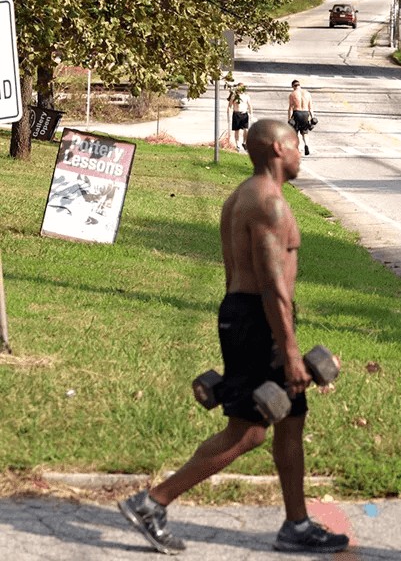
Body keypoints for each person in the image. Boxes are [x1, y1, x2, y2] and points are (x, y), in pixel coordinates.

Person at [118, 119, 349, 556]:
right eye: (297, 146)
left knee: (291, 419)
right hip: (258, 318)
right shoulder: (268, 204)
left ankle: (296, 525)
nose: (301, 153)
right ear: (279, 149)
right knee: (249, 431)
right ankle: (152, 503)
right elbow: (270, 284)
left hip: (253, 315)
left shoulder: (243, 194)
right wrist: (290, 349)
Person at [288, 79, 315, 156]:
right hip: (306, 114)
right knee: (305, 132)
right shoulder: (308, 93)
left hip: (297, 113)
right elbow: (311, 108)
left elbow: (290, 108)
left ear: (293, 86)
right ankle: (306, 145)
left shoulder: (292, 94)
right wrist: (313, 117)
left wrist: (289, 119)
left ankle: (297, 149)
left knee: (295, 133)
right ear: (299, 85)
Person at [227, 82, 254, 152]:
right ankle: (237, 144)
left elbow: (250, 105)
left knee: (246, 129)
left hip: (244, 114)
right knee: (237, 130)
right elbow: (230, 105)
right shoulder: (234, 96)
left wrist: (251, 115)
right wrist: (228, 114)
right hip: (236, 114)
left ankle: (244, 142)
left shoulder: (246, 96)